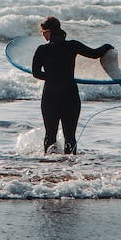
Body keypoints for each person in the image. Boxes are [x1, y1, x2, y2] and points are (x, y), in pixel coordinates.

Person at [32, 16, 113, 154]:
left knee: (50, 136)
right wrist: (107, 46)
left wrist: (52, 77)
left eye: (43, 32)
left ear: (49, 31)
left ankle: (48, 167)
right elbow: (95, 54)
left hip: (51, 96)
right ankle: (71, 168)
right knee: (70, 137)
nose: (43, 35)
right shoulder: (72, 45)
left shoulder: (42, 49)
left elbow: (36, 73)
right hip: (70, 95)